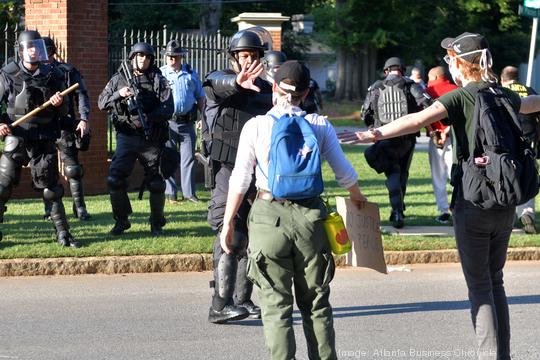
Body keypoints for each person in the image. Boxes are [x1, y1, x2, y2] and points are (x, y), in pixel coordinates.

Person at [339, 32, 540, 360]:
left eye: (451, 59)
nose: (449, 65)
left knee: (480, 287)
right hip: (505, 204)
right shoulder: (505, 94)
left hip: (472, 201)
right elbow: (535, 103)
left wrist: (372, 133)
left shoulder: (461, 97)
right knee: (496, 281)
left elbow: (416, 120)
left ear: (461, 64)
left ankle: (490, 356)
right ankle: (501, 354)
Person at [220, 60, 367, 359]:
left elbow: (240, 179)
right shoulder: (320, 125)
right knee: (316, 304)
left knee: (276, 308)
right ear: (305, 93)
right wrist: (359, 201)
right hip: (311, 220)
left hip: (267, 215)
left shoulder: (257, 126)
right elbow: (345, 174)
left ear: (274, 88)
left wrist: (228, 223)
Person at [201, 28, 273, 324]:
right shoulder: (217, 83)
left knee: (250, 234)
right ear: (234, 58)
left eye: (253, 56)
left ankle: (242, 300)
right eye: (243, 56)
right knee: (229, 231)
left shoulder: (266, 91)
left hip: (257, 173)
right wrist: (237, 82)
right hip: (227, 170)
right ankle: (219, 305)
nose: (248, 61)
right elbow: (219, 84)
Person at [0, 30, 79, 247]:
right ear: (21, 50)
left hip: (44, 137)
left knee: (51, 189)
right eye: (30, 47)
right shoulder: (8, 74)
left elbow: (65, 113)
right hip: (17, 137)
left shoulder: (53, 75)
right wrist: (1, 124)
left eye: (37, 47)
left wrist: (59, 103)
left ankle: (63, 234)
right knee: (2, 186)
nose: (34, 51)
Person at [98, 42, 173, 236]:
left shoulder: (158, 79)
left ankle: (157, 223)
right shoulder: (118, 79)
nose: (144, 60)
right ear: (132, 58)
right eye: (140, 56)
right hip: (127, 135)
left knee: (156, 182)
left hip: (150, 137)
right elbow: (101, 103)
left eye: (147, 57)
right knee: (115, 179)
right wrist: (119, 94)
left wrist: (150, 117)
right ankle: (122, 220)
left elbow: (168, 108)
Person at [360, 56, 430, 228]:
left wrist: (373, 128)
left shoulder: (376, 87)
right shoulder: (410, 85)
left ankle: (397, 210)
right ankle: (398, 210)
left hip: (385, 137)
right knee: (403, 173)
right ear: (402, 70)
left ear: (386, 70)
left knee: (392, 173)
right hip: (407, 138)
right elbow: (426, 103)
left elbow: (365, 113)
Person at [42, 36, 92, 221]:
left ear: (52, 52)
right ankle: (50, 209)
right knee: (45, 169)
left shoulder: (67, 71)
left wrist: (83, 118)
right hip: (42, 128)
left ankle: (80, 208)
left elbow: (82, 95)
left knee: (73, 169)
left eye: (44, 51)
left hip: (64, 126)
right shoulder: (32, 74)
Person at [160, 39, 205, 205]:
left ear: (181, 57)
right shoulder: (161, 74)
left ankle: (189, 194)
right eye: (170, 56)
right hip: (168, 123)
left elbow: (200, 96)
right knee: (168, 158)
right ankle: (171, 194)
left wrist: (203, 118)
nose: (173, 59)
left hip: (187, 123)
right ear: (165, 57)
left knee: (188, 159)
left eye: (176, 57)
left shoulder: (191, 74)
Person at [500, 65, 539, 234]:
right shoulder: (529, 90)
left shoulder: (499, 92)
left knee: (506, 177)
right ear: (517, 77)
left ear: (502, 79)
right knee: (528, 177)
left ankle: (506, 216)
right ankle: (527, 213)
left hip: (506, 141)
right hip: (529, 140)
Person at [425, 66, 457, 224]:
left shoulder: (427, 91)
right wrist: (447, 131)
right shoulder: (456, 89)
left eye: (429, 77)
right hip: (455, 137)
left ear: (436, 77)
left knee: (438, 176)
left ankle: (444, 211)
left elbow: (421, 115)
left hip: (435, 137)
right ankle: (459, 207)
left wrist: (434, 133)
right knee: (456, 174)